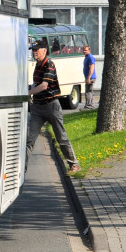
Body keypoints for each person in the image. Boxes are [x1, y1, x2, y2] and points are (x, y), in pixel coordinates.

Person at [28, 39, 81, 173]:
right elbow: (36, 84)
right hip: (38, 108)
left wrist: (28, 93)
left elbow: (44, 85)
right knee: (29, 140)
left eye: (37, 50)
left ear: (44, 51)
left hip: (51, 106)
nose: (34, 53)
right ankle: (21, 170)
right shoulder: (37, 65)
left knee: (61, 137)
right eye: (33, 51)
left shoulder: (49, 64)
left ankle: (74, 164)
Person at [82, 44, 97, 109]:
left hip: (90, 77)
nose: (84, 51)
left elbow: (91, 68)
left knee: (88, 92)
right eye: (83, 50)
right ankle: (91, 105)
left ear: (89, 50)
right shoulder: (86, 57)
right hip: (88, 77)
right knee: (89, 91)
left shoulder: (90, 57)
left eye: (85, 50)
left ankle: (89, 106)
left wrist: (88, 77)